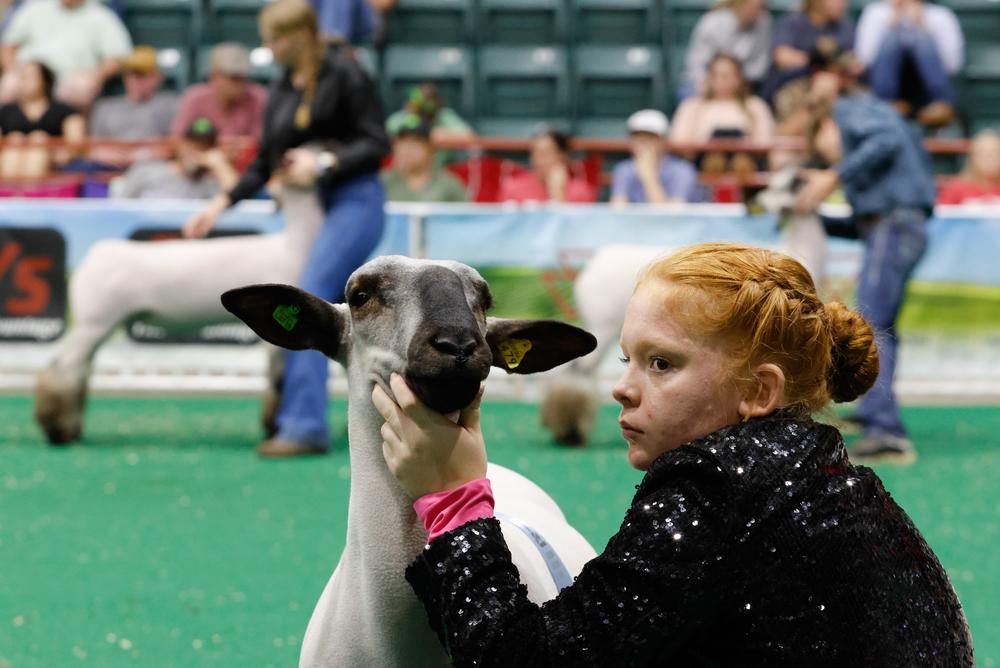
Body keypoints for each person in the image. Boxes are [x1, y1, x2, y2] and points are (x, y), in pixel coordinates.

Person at [371, 242, 973, 665]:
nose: (622, 385)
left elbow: (525, 658)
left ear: (759, 392)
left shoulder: (715, 488)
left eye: (663, 364)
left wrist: (455, 499)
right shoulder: (832, 478)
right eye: (629, 358)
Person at [184, 0, 389, 457]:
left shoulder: (345, 74)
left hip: (355, 200)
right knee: (338, 310)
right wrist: (220, 203)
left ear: (296, 37)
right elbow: (264, 160)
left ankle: (304, 424)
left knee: (309, 295)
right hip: (313, 207)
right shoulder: (281, 89)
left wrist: (324, 162)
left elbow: (377, 142)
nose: (269, 48)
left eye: (274, 39)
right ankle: (304, 413)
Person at [795, 87, 935, 462]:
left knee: (873, 324)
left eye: (821, 145)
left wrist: (833, 176)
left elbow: (886, 140)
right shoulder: (871, 155)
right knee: (881, 323)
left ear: (826, 126)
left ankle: (886, 432)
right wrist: (808, 213)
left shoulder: (848, 110)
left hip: (894, 225)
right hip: (891, 226)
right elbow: (861, 225)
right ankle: (876, 411)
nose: (825, 154)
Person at [0, 0, 131, 108]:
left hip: (70, 77)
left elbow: (117, 57)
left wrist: (97, 75)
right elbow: (8, 46)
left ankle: (74, 137)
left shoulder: (101, 15)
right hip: (31, 71)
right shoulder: (34, 7)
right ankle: (8, 136)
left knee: (82, 86)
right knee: (10, 83)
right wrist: (12, 69)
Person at [855, 0, 963, 128]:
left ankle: (940, 104)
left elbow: (953, 65)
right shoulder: (875, 12)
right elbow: (863, 60)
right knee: (893, 38)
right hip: (884, 94)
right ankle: (885, 104)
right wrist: (891, 24)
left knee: (921, 38)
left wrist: (923, 25)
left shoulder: (941, 15)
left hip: (925, 95)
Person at [671, 53, 774, 176]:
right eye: (717, 75)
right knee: (713, 160)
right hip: (701, 164)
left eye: (728, 75)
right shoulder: (692, 106)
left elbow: (765, 143)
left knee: (742, 161)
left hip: (747, 166)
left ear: (739, 78)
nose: (723, 81)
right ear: (709, 78)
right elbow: (679, 143)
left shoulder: (755, 105)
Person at [88, 46, 178, 168]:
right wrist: (108, 155)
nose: (135, 80)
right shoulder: (105, 107)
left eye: (142, 74)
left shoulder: (170, 104)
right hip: (108, 170)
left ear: (157, 77)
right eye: (130, 74)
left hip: (153, 171)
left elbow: (175, 146)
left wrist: (143, 155)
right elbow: (93, 148)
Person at [766, 0, 858, 118]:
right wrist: (816, 59)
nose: (842, 3)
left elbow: (851, 61)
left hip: (838, 85)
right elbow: (781, 56)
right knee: (823, 86)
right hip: (795, 84)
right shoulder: (792, 23)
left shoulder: (844, 27)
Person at [111, 117, 237, 199]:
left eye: (204, 148)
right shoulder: (145, 171)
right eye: (193, 145)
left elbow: (235, 197)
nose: (196, 153)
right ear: (181, 145)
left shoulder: (209, 185)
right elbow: (119, 210)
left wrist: (220, 165)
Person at [0, 60, 83, 177]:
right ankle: (10, 192)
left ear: (45, 81)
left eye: (30, 77)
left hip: (50, 163)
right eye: (22, 77)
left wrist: (51, 153)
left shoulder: (64, 111)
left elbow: (76, 146)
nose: (25, 81)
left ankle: (30, 192)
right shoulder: (5, 111)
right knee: (15, 141)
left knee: (38, 141)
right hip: (10, 160)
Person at [170, 42, 269, 141]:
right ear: (214, 76)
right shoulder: (195, 97)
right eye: (232, 78)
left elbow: (261, 141)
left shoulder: (256, 98)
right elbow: (177, 138)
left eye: (242, 78)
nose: (239, 84)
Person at [680, 0, 770, 100]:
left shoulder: (763, 22)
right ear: (741, 5)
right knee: (690, 95)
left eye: (764, 7)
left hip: (744, 82)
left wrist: (736, 81)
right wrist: (712, 83)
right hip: (707, 81)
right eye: (758, 7)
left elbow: (760, 65)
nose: (762, 13)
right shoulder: (712, 22)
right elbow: (696, 66)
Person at [610, 109, 703, 205]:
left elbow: (672, 215)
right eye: (638, 137)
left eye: (650, 138)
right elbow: (618, 209)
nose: (643, 142)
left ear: (664, 141)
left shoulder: (683, 170)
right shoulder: (623, 169)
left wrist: (648, 175)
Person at [381, 114, 467, 203]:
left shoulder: (449, 185)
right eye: (401, 143)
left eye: (415, 143)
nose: (406, 150)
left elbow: (467, 215)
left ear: (430, 148)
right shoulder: (382, 182)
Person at [499, 126, 596, 204]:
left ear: (563, 156)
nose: (539, 160)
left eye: (546, 153)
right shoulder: (512, 188)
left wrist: (558, 192)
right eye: (535, 153)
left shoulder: (581, 192)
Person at [385, 83, 473, 142]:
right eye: (416, 101)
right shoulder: (399, 118)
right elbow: (390, 136)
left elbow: (468, 137)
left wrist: (432, 133)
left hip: (440, 166)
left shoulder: (444, 115)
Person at [938, 129, 1000, 204]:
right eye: (983, 154)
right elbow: (941, 213)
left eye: (995, 154)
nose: (990, 160)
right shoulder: (955, 188)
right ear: (972, 157)